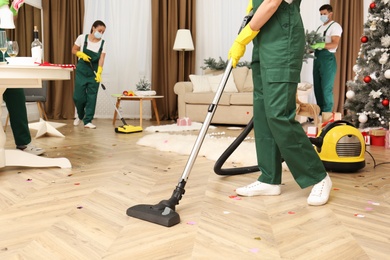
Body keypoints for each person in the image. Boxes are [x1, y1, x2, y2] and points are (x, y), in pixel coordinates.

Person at [228, 0, 332, 206]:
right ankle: (269, 178)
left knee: (278, 113)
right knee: (263, 112)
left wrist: (244, 37)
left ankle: (318, 176)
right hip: (263, 43)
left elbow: (272, 3)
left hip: (282, 44)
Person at [0, 0, 45, 156]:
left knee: (16, 93)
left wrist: (14, 7)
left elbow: (11, 22)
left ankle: (23, 143)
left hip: (2, 48)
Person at [72, 20, 106, 129]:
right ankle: (80, 115)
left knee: (92, 97)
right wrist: (80, 54)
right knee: (78, 97)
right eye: (99, 30)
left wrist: (99, 72)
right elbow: (74, 49)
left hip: (94, 72)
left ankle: (88, 121)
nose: (101, 33)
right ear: (93, 28)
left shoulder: (103, 43)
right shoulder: (82, 38)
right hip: (82, 71)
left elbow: (101, 58)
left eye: (103, 32)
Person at [311, 4, 343, 113]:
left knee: (326, 89)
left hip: (327, 59)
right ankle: (320, 114)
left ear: (330, 13)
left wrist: (320, 45)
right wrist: (310, 48)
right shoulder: (320, 28)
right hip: (317, 59)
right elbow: (315, 45)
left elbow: (334, 44)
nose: (322, 16)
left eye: (324, 14)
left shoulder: (335, 26)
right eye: (321, 14)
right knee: (318, 88)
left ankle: (327, 115)